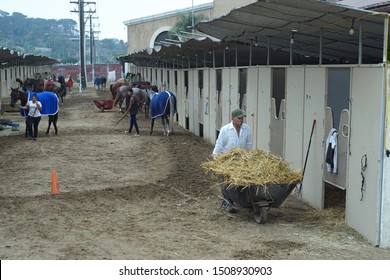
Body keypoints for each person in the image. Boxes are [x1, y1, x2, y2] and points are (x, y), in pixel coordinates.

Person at [213, 108, 253, 213]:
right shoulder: (225, 130)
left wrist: (248, 159)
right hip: (228, 162)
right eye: (239, 118)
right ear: (232, 118)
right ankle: (228, 202)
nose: (241, 120)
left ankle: (246, 201)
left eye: (242, 118)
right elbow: (219, 146)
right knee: (227, 183)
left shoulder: (246, 128)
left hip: (242, 161)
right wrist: (216, 160)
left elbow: (249, 145)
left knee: (244, 182)